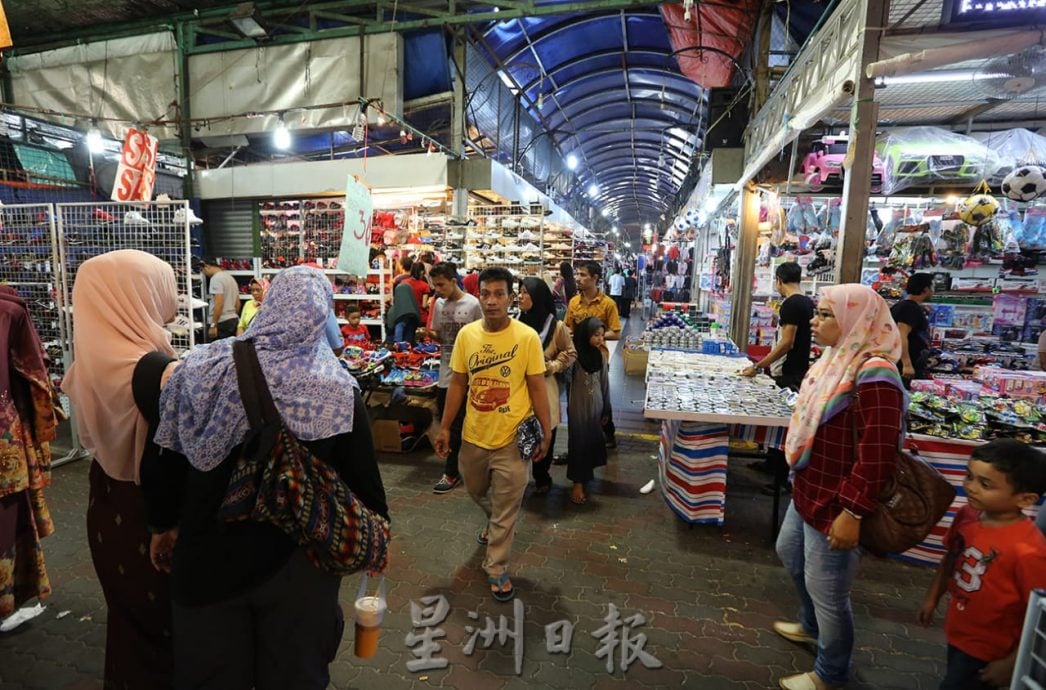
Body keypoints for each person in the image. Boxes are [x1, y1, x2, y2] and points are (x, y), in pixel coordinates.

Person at [148, 265, 389, 689]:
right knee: (295, 675)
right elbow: (366, 489)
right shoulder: (337, 388)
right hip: (298, 567)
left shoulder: (199, 366)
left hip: (208, 555)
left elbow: (165, 456)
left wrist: (162, 525)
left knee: (211, 674)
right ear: (321, 314)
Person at [774, 284, 907, 690]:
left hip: (839, 499)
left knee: (829, 590)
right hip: (810, 484)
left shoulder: (875, 372)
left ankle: (831, 673)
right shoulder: (837, 359)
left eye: (825, 315)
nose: (814, 322)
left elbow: (878, 452)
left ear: (856, 320)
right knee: (788, 552)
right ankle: (811, 625)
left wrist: (853, 512)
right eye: (818, 313)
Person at [61, 250, 180, 689]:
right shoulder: (159, 372)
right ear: (139, 294)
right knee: (165, 627)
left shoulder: (85, 367)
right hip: (152, 518)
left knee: (128, 621)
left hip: (105, 505)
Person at [434, 267, 551, 602]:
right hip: (473, 436)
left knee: (506, 507)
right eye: (486, 293)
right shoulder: (468, 336)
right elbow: (457, 383)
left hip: (512, 440)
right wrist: (444, 427)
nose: (492, 300)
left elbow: (537, 387)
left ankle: (496, 566)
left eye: (500, 294)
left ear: (511, 298)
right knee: (476, 491)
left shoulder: (526, 337)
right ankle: (494, 519)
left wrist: (544, 431)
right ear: (479, 295)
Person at [917, 439, 1046, 690]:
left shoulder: (1029, 550)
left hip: (992, 649)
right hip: (958, 631)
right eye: (969, 476)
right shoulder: (967, 515)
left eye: (985, 484)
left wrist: (1012, 662)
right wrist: (933, 597)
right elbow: (951, 557)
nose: (971, 488)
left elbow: (1038, 615)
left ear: (1025, 498)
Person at [741, 262, 815, 494]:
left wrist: (759, 365)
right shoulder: (807, 302)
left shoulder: (791, 304)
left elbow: (786, 342)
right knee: (783, 418)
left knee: (784, 421)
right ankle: (772, 464)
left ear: (779, 280)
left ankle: (781, 480)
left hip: (788, 370)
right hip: (798, 367)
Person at [422, 262, 482, 494]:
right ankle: (454, 468)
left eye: (441, 284)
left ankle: (451, 472)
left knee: (458, 425)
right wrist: (428, 333)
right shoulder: (438, 304)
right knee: (447, 422)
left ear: (453, 280)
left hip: (469, 373)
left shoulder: (473, 304)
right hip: (446, 371)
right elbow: (440, 336)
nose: (437, 289)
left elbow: (482, 335)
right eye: (434, 285)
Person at [518, 277, 576, 495]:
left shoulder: (556, 326)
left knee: (544, 431)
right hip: (519, 388)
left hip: (544, 386)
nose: (520, 297)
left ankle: (542, 475)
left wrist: (552, 366)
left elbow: (570, 352)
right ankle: (519, 476)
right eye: (519, 292)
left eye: (525, 292)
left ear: (538, 297)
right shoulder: (514, 321)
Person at [565, 261, 622, 448]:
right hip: (577, 360)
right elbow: (567, 328)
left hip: (599, 359)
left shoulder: (608, 304)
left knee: (600, 397)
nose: (578, 279)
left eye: (582, 275)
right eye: (577, 274)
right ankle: (579, 441)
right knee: (577, 401)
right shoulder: (574, 302)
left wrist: (595, 337)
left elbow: (616, 332)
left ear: (595, 278)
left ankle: (607, 433)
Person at [567, 317, 611, 505]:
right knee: (579, 443)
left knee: (591, 441)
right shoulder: (575, 358)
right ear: (585, 335)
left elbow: (605, 384)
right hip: (579, 407)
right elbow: (567, 382)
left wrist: (606, 409)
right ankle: (578, 483)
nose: (600, 339)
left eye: (602, 335)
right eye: (596, 335)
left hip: (596, 406)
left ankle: (585, 478)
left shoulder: (599, 356)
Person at [890, 272, 934, 383]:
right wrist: (907, 364)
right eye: (932, 286)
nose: (933, 290)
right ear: (925, 289)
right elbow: (901, 335)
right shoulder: (909, 308)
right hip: (905, 369)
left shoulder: (906, 306)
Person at [201, 257, 241, 341]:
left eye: (203, 270)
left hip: (220, 323)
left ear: (207, 266)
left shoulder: (216, 279)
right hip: (232, 320)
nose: (204, 273)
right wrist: (232, 316)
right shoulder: (230, 278)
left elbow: (219, 303)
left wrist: (213, 325)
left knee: (216, 351)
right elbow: (237, 303)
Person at [387, 277, 421, 346]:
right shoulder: (414, 309)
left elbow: (391, 328)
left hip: (396, 345)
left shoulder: (394, 310)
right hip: (410, 344)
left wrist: (397, 343)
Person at [406, 261, 432, 327]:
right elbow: (424, 305)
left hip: (407, 316)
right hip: (421, 317)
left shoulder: (404, 283)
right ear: (422, 272)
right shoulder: (425, 286)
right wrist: (429, 304)